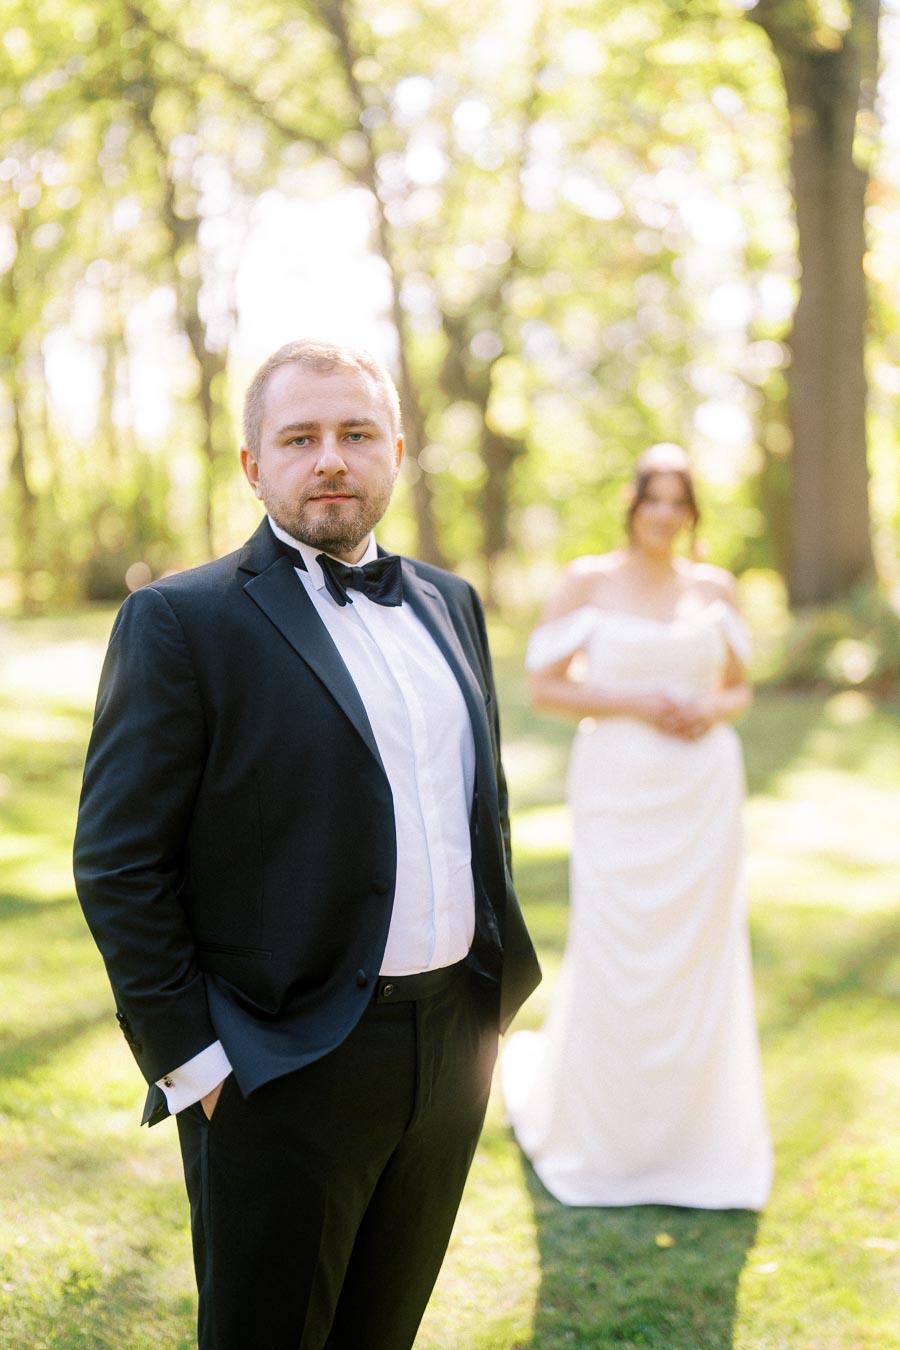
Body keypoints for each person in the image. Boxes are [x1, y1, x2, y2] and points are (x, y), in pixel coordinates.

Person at [73, 338, 541, 1350]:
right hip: (279, 1063)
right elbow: (118, 862)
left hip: (452, 1045)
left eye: (356, 433)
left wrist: (487, 1006)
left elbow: (479, 809)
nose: (331, 457)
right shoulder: (178, 622)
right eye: (300, 437)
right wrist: (195, 1066)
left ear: (397, 452)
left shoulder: (449, 604)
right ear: (254, 465)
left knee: (384, 1330)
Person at [501, 443, 772, 1211]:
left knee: (698, 954)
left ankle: (699, 1139)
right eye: (652, 497)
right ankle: (609, 1139)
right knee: (622, 947)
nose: (664, 512)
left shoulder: (716, 588)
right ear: (632, 505)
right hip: (619, 787)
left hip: (702, 791)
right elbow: (546, 688)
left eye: (678, 500)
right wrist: (635, 703)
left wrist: (705, 707)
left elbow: (740, 691)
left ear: (691, 513)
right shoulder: (588, 580)